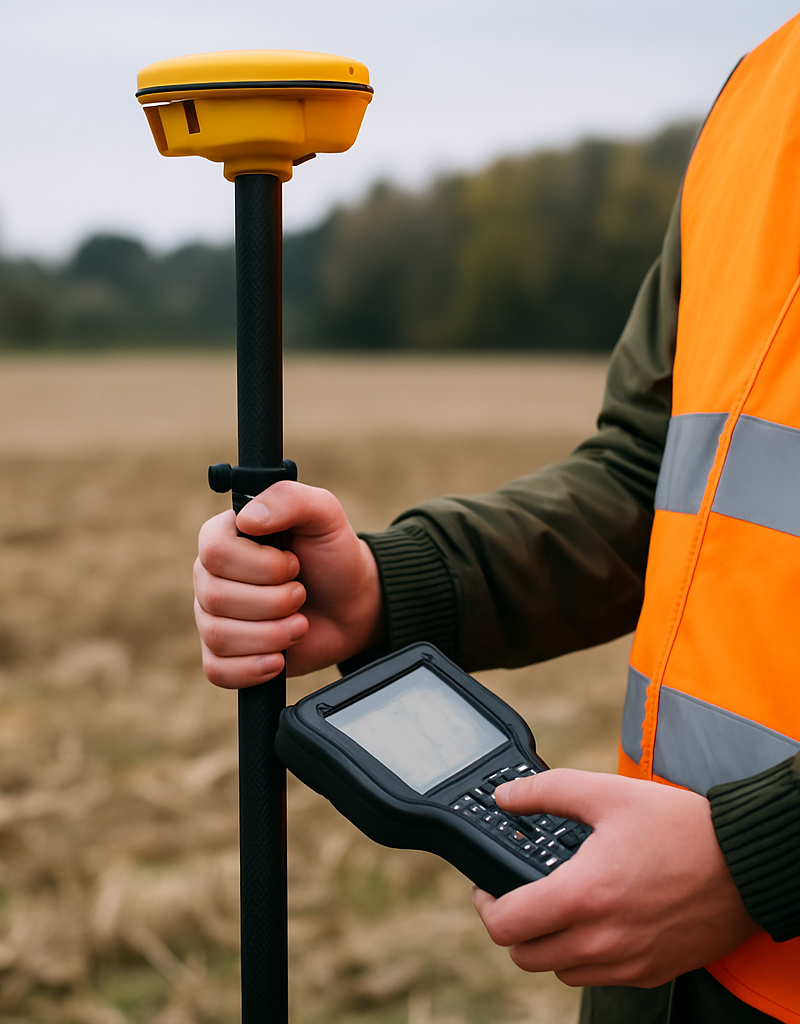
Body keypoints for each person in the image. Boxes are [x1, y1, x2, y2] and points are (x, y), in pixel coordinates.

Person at [192, 13, 800, 1023]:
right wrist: (394, 584)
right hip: (664, 961)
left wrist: (758, 856)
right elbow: (647, 474)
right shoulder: (762, 91)